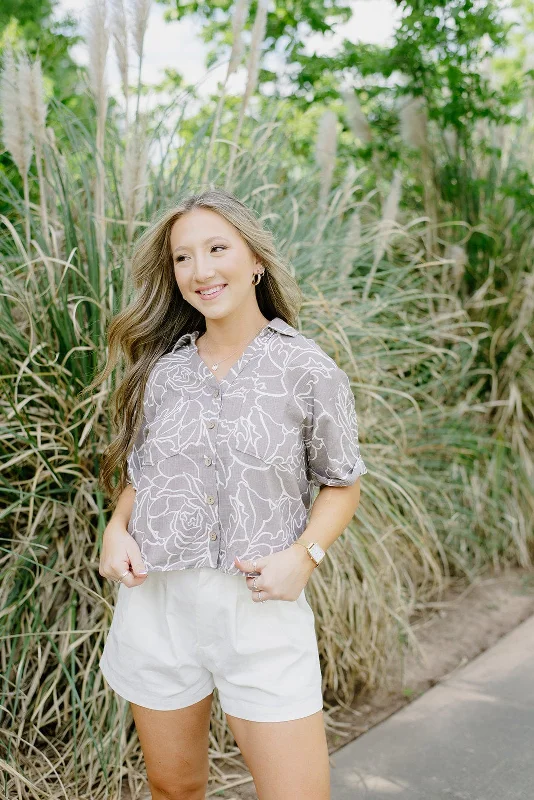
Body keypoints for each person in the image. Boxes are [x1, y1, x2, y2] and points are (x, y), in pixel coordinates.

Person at [95, 188, 367, 800]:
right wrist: (116, 529)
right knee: (174, 789)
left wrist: (305, 557)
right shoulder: (163, 371)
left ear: (255, 261)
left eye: (217, 248)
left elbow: (342, 482)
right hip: (158, 605)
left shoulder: (308, 369)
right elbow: (146, 474)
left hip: (260, 610)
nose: (201, 270)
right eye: (183, 257)